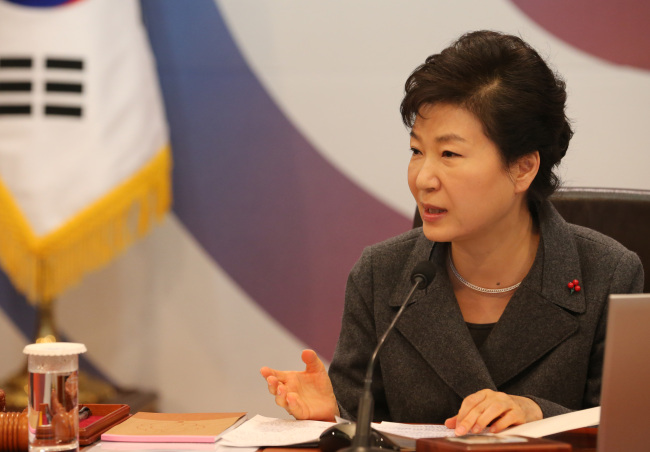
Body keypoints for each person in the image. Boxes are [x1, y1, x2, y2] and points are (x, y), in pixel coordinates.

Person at [260, 30, 644, 435]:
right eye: (416, 151)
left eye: (449, 154)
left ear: (523, 168)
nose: (423, 177)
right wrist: (334, 416)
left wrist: (540, 415)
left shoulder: (609, 275)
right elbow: (363, 423)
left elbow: (629, 432)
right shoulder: (382, 274)